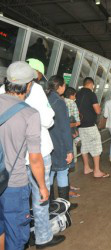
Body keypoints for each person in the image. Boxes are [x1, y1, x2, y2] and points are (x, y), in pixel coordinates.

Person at [0, 61, 49, 250]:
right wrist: (42, 186)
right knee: (17, 236)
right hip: (14, 183)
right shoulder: (30, 114)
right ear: (28, 86)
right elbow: (35, 158)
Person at [25, 59, 65, 248]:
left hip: (14, 154)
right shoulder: (37, 90)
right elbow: (49, 121)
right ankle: (43, 237)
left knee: (19, 198)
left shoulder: (2, 90)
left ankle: (23, 237)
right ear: (37, 74)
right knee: (41, 194)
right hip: (39, 151)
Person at [46, 75, 77, 210]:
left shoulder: (45, 99)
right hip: (59, 144)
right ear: (59, 86)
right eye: (64, 85)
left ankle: (51, 205)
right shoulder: (59, 102)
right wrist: (69, 150)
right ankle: (64, 206)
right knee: (62, 172)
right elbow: (65, 128)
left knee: (49, 174)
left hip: (47, 144)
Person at [76, 77, 109, 178]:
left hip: (80, 125)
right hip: (90, 125)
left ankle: (86, 168)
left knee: (85, 146)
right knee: (96, 146)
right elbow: (98, 111)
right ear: (92, 85)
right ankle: (97, 171)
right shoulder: (91, 94)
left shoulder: (78, 93)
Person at [64, 87, 81, 198]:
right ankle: (67, 189)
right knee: (69, 161)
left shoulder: (60, 101)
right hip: (69, 135)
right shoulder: (72, 103)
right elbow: (77, 121)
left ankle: (68, 186)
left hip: (60, 135)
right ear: (72, 95)